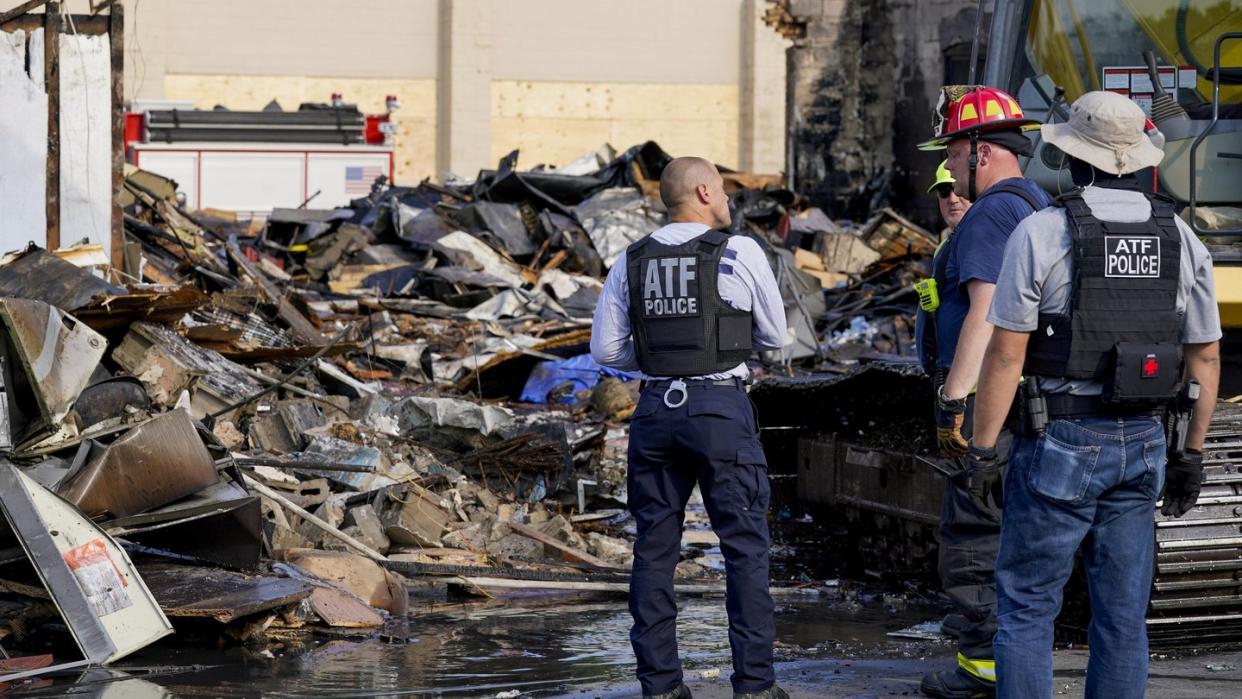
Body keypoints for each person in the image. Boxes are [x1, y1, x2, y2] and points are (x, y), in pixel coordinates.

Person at [969, 90, 1221, 697]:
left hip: (1060, 435)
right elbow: (1205, 356)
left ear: (1074, 160)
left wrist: (981, 450)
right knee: (1122, 615)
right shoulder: (1182, 237)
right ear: (1137, 160)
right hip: (1143, 441)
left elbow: (1006, 352)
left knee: (1029, 609)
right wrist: (1191, 451)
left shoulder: (1043, 230)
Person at [590, 156, 789, 699]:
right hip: (719, 411)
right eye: (723, 190)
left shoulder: (630, 260)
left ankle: (660, 686)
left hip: (654, 413)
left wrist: (661, 360)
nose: (727, 199)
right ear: (704, 191)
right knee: (744, 547)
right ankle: (754, 686)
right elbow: (776, 337)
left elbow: (605, 350)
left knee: (654, 548)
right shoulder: (740, 250)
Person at [914, 86, 1052, 699]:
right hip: (1028, 393)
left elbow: (986, 310)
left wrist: (953, 400)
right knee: (1014, 528)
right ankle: (1012, 662)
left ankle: (982, 668)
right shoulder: (1038, 204)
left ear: (982, 150)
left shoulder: (993, 212)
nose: (951, 165)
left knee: (972, 529)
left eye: (954, 149)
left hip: (984, 396)